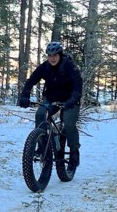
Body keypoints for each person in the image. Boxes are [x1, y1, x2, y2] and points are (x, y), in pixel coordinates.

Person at [17, 40, 83, 170]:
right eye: (50, 56)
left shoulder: (69, 66)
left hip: (70, 99)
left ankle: (74, 151)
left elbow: (77, 84)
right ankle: (41, 145)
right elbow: (31, 81)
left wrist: (73, 99)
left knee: (69, 123)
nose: (52, 58)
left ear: (60, 55)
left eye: (55, 55)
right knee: (40, 114)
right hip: (51, 98)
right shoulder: (45, 67)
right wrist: (24, 95)